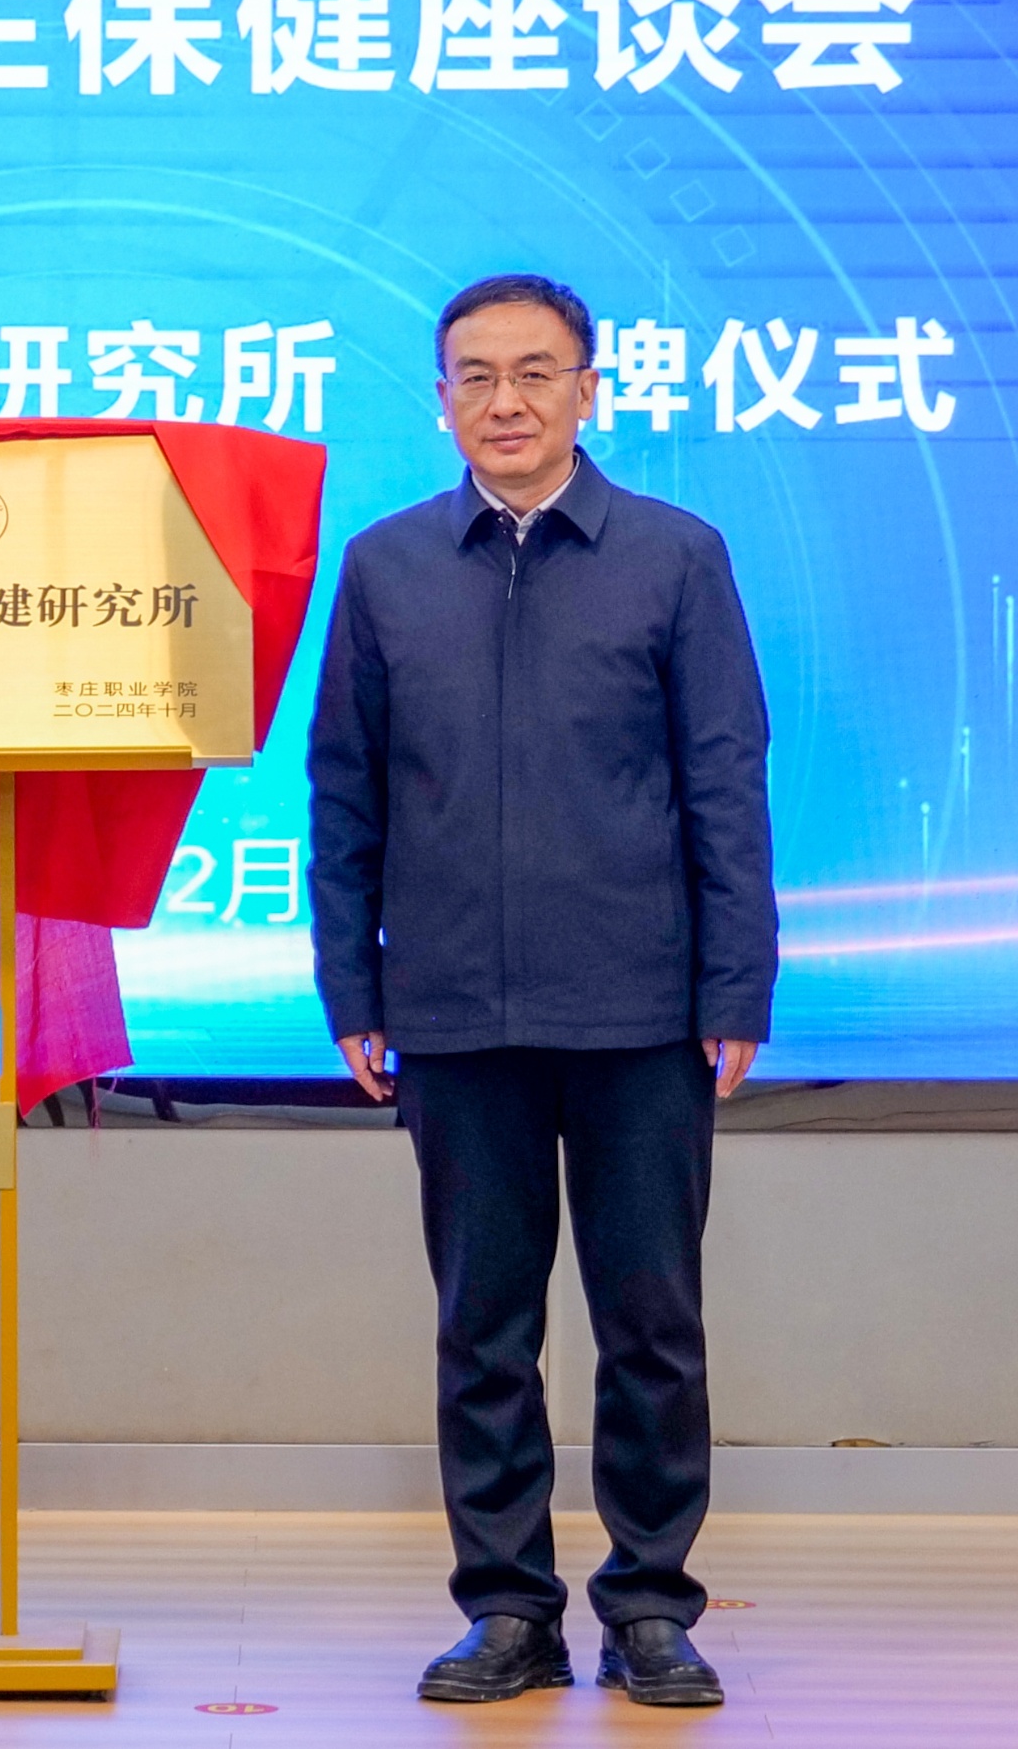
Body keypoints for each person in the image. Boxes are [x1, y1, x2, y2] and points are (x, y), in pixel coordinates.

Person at [308, 271, 778, 1712]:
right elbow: (345, 792)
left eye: (533, 372)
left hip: (642, 1010)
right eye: (475, 376)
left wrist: (736, 983)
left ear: (589, 390)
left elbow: (725, 782)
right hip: (454, 1009)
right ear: (441, 398)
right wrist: (352, 984)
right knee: (483, 1329)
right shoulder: (387, 565)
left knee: (652, 1326)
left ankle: (651, 1605)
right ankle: (507, 1607)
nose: (503, 401)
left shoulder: (676, 557)